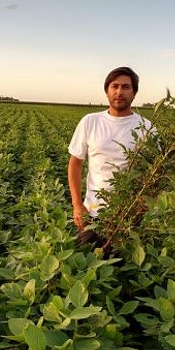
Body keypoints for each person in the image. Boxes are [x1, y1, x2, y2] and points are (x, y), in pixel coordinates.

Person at [67, 66, 153, 246]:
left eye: (126, 87)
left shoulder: (146, 127)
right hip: (92, 214)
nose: (119, 92)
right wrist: (77, 204)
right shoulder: (90, 121)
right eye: (115, 86)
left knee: (124, 269)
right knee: (86, 266)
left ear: (134, 93)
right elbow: (75, 163)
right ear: (107, 91)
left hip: (130, 216)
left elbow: (157, 170)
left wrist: (148, 199)